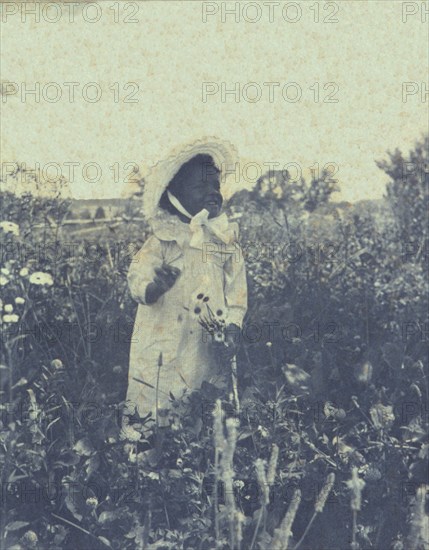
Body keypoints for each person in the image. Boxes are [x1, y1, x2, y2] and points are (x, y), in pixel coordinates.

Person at [125, 138, 247, 426]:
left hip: (209, 338)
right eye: (200, 187)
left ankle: (201, 454)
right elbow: (137, 277)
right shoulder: (163, 240)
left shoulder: (223, 240)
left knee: (207, 391)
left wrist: (232, 327)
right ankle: (149, 450)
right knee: (158, 392)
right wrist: (155, 287)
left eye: (215, 186)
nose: (212, 193)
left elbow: (237, 290)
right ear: (174, 196)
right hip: (164, 336)